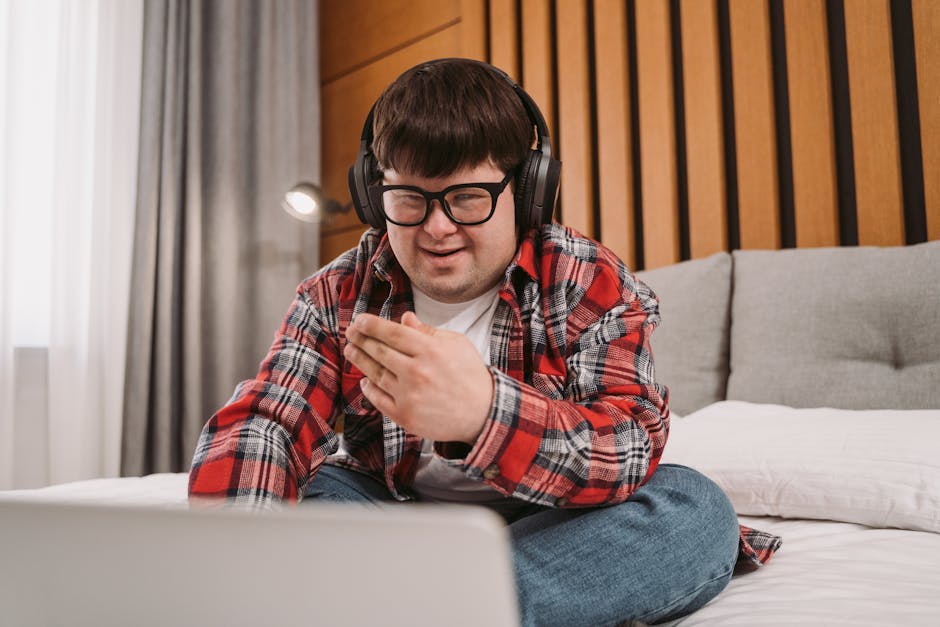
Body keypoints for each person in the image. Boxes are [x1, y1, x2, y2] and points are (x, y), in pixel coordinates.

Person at [189, 58, 780, 626]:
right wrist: (244, 562)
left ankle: (410, 606)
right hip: (399, 518)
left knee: (694, 509)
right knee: (309, 487)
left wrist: (483, 414)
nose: (437, 227)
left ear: (525, 192)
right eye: (409, 199)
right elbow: (268, 422)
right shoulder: (339, 290)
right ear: (376, 197)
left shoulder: (584, 278)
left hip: (558, 523)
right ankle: (459, 607)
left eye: (468, 197)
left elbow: (628, 445)